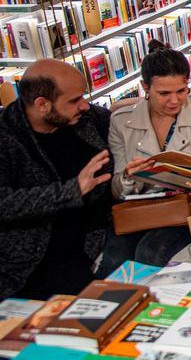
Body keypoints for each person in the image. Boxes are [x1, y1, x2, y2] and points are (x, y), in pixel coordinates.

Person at [99, 42, 191, 272]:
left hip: (186, 210)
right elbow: (117, 190)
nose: (175, 100)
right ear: (144, 88)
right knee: (113, 261)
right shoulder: (121, 121)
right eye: (164, 93)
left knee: (151, 253)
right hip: (140, 209)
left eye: (181, 90)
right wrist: (129, 176)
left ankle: (155, 307)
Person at [0, 60, 113, 299]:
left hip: (91, 240)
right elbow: (4, 203)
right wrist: (73, 189)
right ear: (42, 104)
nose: (85, 105)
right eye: (74, 100)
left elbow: (123, 120)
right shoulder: (7, 138)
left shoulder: (88, 120)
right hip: (31, 260)